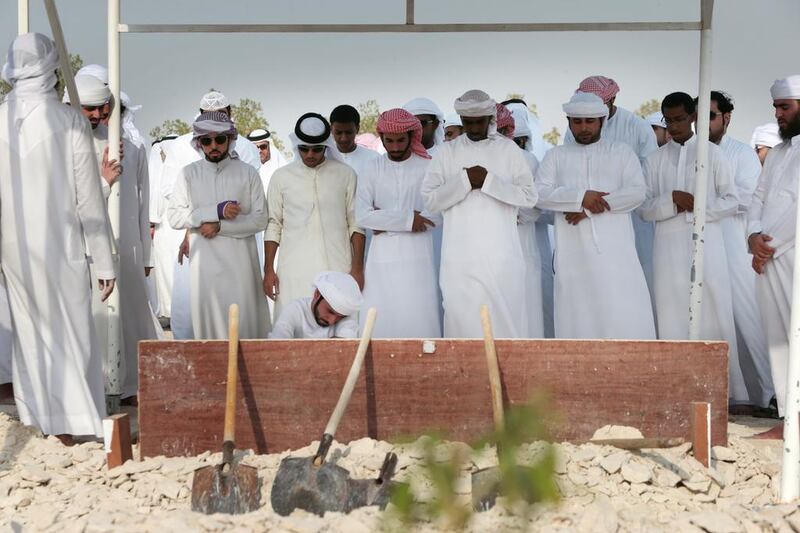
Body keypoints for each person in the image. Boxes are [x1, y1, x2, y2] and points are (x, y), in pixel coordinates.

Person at [0, 34, 115, 441]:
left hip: (12, 249)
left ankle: (38, 418)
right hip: (59, 243)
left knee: (29, 333)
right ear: (51, 67)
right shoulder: (68, 120)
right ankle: (76, 421)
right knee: (71, 331)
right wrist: (104, 260)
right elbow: (89, 201)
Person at [639, 92, 745, 405]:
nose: (673, 127)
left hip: (707, 245)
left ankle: (727, 393)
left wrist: (698, 207)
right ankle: (677, 390)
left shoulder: (713, 154)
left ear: (693, 117)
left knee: (714, 311)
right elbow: (644, 209)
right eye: (668, 121)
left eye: (679, 119)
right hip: (668, 248)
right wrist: (671, 199)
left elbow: (732, 200)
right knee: (671, 312)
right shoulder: (655, 160)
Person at [66, 74, 160, 402]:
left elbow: (143, 201)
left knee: (131, 319)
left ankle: (132, 388)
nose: (95, 116)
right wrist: (104, 181)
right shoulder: (63, 145)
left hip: (126, 246)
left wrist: (144, 255)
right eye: (88, 109)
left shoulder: (129, 146)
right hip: (86, 248)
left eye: (100, 109)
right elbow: (69, 202)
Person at [538, 92, 654, 339]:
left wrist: (590, 206)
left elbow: (636, 193)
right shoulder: (555, 156)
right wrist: (580, 195)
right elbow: (539, 194)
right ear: (569, 123)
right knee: (577, 317)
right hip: (572, 257)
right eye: (577, 122)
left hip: (615, 255)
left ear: (601, 121)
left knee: (621, 314)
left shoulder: (621, 153)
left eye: (590, 121)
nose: (584, 127)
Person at [422, 90, 537, 338]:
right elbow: (430, 200)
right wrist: (464, 181)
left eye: (479, 122)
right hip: (459, 259)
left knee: (505, 322)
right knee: (462, 320)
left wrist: (488, 181)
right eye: (468, 122)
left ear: (490, 119)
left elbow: (529, 197)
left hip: (502, 257)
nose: (474, 127)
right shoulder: (446, 153)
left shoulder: (508, 151)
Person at [159, 91, 261, 339]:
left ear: (230, 139)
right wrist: (213, 213)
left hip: (240, 263)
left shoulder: (247, 173)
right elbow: (174, 216)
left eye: (220, 140)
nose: (214, 146)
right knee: (209, 332)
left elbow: (259, 219)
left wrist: (219, 227)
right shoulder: (188, 174)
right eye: (206, 141)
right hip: (203, 262)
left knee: (243, 326)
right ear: (198, 143)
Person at [698, 91, 774, 411]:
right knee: (710, 318)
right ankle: (724, 394)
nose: (704, 123)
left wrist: (706, 202)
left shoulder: (741, 153)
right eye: (698, 116)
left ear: (726, 118)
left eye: (711, 115)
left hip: (734, 245)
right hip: (703, 249)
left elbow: (748, 198)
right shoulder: (691, 152)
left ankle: (770, 393)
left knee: (748, 319)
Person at [565, 76, 659, 320]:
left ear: (612, 100)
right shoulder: (575, 130)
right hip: (581, 219)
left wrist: (595, 204)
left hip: (630, 217)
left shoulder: (637, 126)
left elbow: (645, 181)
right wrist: (579, 201)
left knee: (634, 279)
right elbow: (569, 168)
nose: (585, 122)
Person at [265, 113, 365, 320]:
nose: (310, 154)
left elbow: (356, 225)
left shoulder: (346, 174)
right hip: (294, 269)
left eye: (317, 149)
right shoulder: (281, 177)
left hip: (337, 266)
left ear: (326, 147)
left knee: (338, 327)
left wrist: (357, 269)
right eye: (304, 149)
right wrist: (268, 271)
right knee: (294, 325)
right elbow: (274, 225)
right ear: (296, 146)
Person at [356, 109, 442, 338]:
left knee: (419, 318)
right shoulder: (371, 169)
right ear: (382, 138)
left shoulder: (428, 167)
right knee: (380, 319)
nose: (394, 147)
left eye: (400, 140)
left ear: (411, 137)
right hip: (380, 259)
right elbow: (362, 216)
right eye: (389, 141)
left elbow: (436, 216)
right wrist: (408, 219)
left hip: (418, 259)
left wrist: (384, 219)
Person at [747, 75, 800, 437]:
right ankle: (788, 419)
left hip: (791, 254)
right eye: (777, 108)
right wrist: (752, 236)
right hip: (768, 260)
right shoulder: (779, 153)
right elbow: (757, 198)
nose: (778, 115)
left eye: (785, 108)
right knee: (778, 337)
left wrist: (769, 245)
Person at [508, 102, 555, 338]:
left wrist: (515, 213)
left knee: (533, 302)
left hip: (531, 243)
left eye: (517, 140)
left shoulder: (535, 161)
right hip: (499, 244)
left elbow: (541, 206)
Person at [498, 103, 544, 338]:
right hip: (490, 248)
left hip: (522, 243)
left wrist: (509, 213)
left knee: (527, 312)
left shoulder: (527, 160)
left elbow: (536, 207)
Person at [270, 272, 362, 339]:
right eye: (330, 311)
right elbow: (276, 343)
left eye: (340, 317)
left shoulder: (345, 313)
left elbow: (343, 348)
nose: (332, 321)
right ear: (317, 294)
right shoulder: (295, 309)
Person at [329, 104, 380, 179]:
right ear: (331, 130)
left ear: (357, 129)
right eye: (338, 133)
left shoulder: (374, 159)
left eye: (348, 132)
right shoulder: (324, 157)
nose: (344, 138)